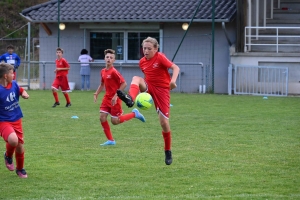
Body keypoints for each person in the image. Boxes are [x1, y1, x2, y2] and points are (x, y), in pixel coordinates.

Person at [117, 37, 180, 165]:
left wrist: (173, 81)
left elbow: (176, 68)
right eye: (144, 48)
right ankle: (130, 98)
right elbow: (148, 76)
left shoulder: (160, 57)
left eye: (149, 49)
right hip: (149, 87)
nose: (146, 51)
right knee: (136, 78)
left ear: (156, 49)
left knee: (164, 123)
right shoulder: (142, 62)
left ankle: (167, 150)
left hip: (162, 91)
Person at [93, 49, 146, 146]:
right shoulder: (103, 71)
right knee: (102, 117)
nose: (109, 59)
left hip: (115, 100)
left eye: (111, 58)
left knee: (115, 121)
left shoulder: (114, 72)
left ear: (114, 60)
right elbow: (102, 84)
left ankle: (135, 114)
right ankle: (111, 140)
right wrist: (96, 93)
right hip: (106, 98)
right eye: (107, 57)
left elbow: (124, 83)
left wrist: (115, 95)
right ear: (104, 58)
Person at [0, 63, 29, 178]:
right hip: (3, 121)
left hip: (17, 119)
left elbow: (21, 90)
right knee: (13, 140)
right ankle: (8, 156)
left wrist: (24, 93)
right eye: (12, 73)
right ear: (5, 76)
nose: (14, 75)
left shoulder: (14, 84)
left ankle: (20, 169)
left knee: (19, 146)